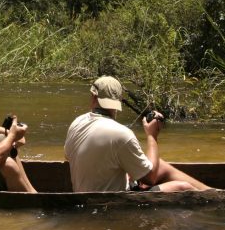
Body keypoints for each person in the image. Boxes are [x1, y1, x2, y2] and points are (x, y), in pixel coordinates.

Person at [64, 76, 211, 192]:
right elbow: (150, 178)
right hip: (115, 204)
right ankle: (213, 196)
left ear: (93, 97)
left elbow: (70, 156)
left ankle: (211, 191)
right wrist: (152, 136)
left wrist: (126, 172)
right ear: (118, 101)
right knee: (183, 187)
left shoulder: (77, 123)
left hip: (85, 197)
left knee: (161, 165)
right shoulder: (121, 134)